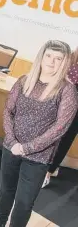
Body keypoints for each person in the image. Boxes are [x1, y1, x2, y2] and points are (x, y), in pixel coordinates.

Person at [0, 40, 78, 227]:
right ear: (41, 56)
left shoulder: (67, 90)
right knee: (6, 191)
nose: (51, 61)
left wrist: (27, 148)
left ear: (64, 62)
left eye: (58, 58)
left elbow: (60, 128)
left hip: (38, 157)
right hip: (11, 149)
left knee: (24, 203)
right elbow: (8, 110)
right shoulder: (24, 80)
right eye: (48, 55)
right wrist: (11, 140)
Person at [42, 46, 78, 188]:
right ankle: (47, 167)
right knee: (51, 135)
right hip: (60, 103)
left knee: (65, 139)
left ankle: (49, 171)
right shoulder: (69, 58)